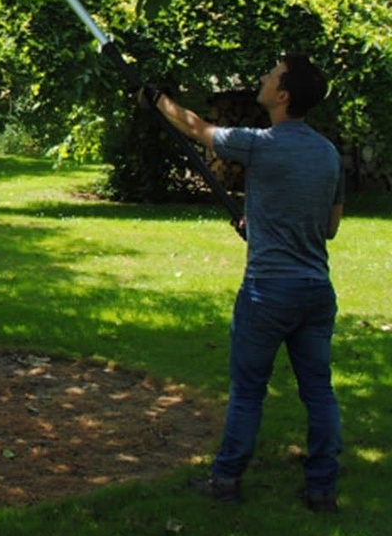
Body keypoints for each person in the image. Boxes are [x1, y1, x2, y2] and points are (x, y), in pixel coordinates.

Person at [142, 54, 344, 512]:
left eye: (272, 75)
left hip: (267, 291)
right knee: (318, 389)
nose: (263, 78)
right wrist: (263, 226)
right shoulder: (328, 154)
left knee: (248, 389)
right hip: (315, 291)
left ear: (284, 95)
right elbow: (329, 229)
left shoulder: (261, 144)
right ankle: (322, 488)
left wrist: (157, 100)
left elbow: (198, 129)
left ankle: (227, 479)